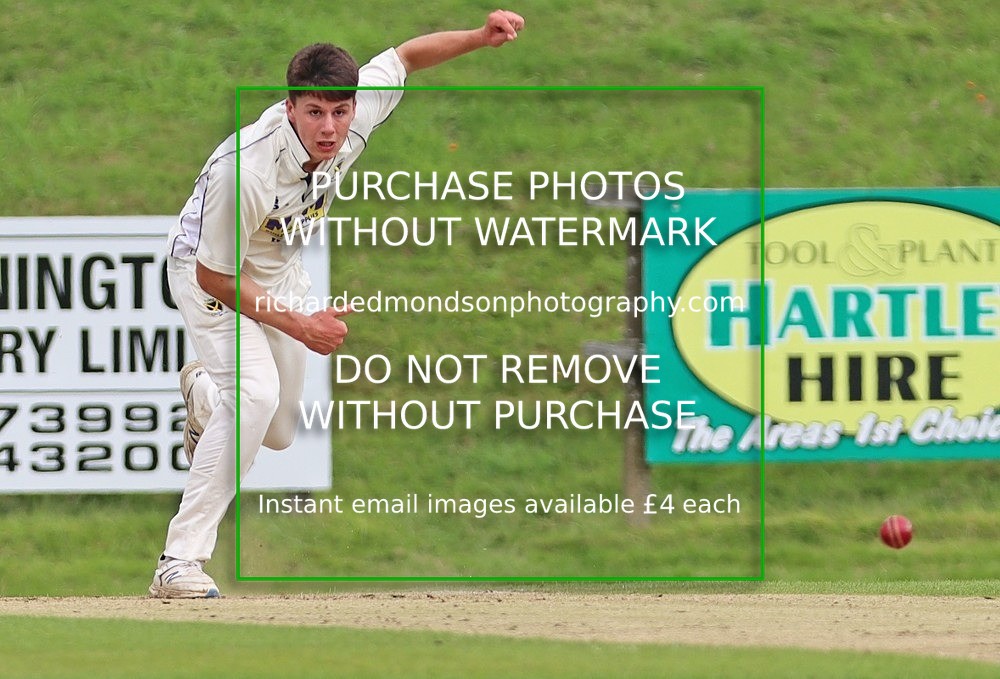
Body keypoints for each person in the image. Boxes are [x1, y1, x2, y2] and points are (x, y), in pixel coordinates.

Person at [149, 10, 525, 598]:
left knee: (276, 433)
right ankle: (180, 561)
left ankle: (202, 398)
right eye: (315, 112)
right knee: (254, 397)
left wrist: (479, 38)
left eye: (340, 111)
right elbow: (215, 276)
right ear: (291, 106)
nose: (330, 128)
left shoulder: (354, 117)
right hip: (210, 275)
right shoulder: (245, 170)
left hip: (278, 269)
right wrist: (300, 324)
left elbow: (405, 57)